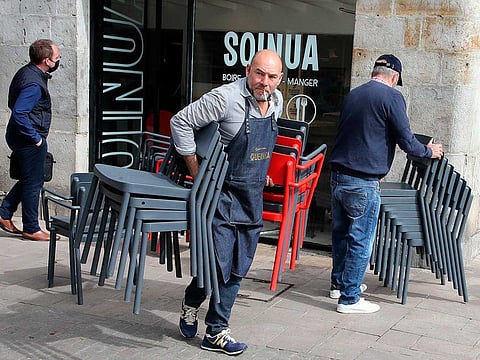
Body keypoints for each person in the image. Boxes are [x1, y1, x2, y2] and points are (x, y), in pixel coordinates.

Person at [170, 49, 283, 355]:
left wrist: (262, 173)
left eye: (272, 77)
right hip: (219, 194)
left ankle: (211, 326)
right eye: (259, 74)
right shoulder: (224, 98)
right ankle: (203, 315)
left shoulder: (276, 101)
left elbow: (260, 148)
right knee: (217, 266)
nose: (265, 82)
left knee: (238, 267)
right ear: (248, 70)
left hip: (250, 197)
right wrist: (196, 171)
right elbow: (180, 122)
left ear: (279, 78)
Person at [329, 54, 444, 314]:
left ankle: (339, 285)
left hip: (337, 178)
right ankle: (349, 299)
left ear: (374, 72)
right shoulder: (392, 97)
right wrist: (429, 151)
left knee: (341, 236)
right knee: (361, 239)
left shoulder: (354, 95)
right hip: (363, 181)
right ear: (394, 77)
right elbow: (406, 141)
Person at [0, 39, 61, 241]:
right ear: (46, 60)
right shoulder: (34, 84)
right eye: (56, 58)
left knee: (30, 179)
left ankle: (4, 212)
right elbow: (19, 113)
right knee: (34, 182)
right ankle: (32, 228)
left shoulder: (26, 72)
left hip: (19, 136)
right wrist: (36, 139)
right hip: (28, 139)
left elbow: (13, 103)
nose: (58, 60)